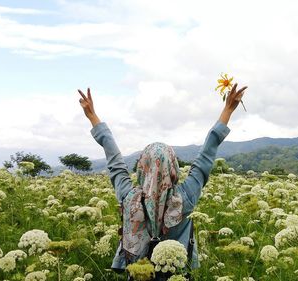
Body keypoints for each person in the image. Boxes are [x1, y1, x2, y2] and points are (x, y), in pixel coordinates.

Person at [78, 84, 247, 279]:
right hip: (178, 275)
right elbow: (205, 157)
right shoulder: (185, 197)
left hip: (139, 275)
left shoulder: (128, 196)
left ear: (142, 167)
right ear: (173, 167)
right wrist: (227, 110)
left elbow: (114, 160)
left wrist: (92, 117)